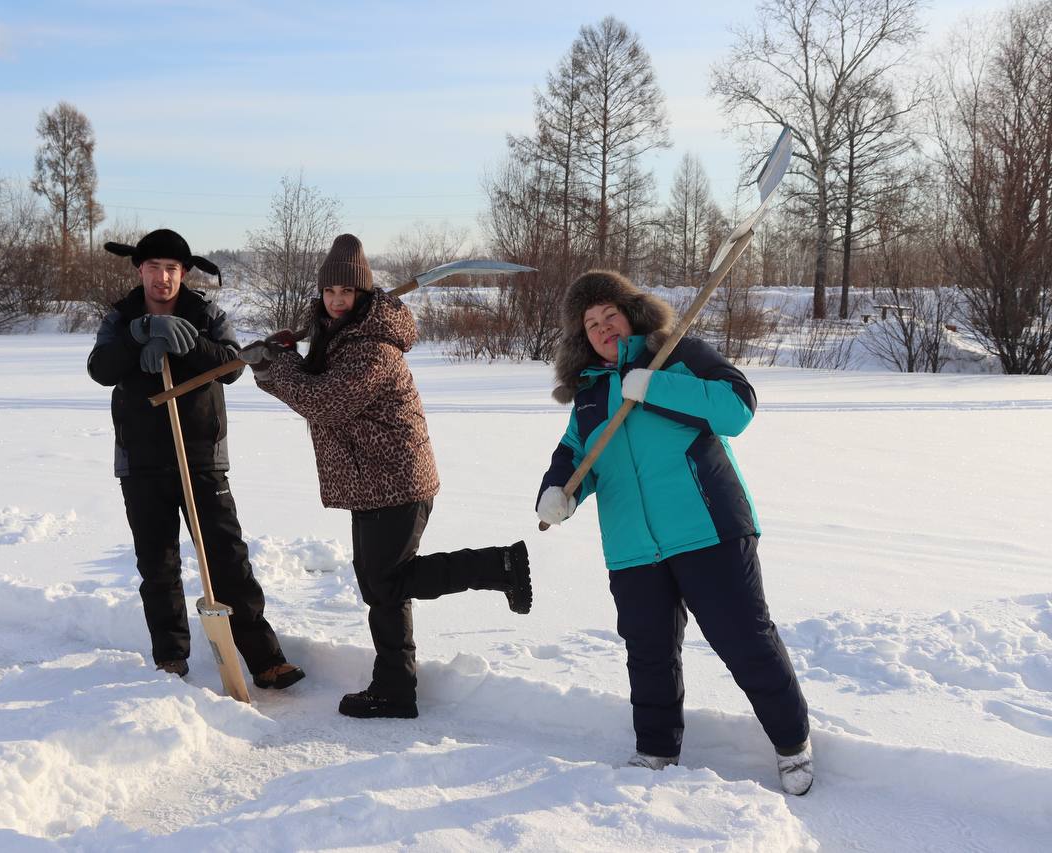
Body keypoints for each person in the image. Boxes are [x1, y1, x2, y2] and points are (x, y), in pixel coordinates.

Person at [535, 269, 813, 795]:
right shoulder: (590, 392)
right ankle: (656, 749)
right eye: (590, 323)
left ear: (631, 311)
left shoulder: (676, 354)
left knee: (743, 639)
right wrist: (559, 491)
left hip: (707, 526)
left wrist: (655, 386)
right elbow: (577, 454)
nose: (602, 327)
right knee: (649, 651)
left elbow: (736, 408)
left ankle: (792, 741)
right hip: (632, 544)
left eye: (609, 314)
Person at [246, 233, 531, 719]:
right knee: (380, 585)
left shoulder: (374, 348)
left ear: (363, 294)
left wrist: (278, 366)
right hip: (370, 479)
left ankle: (498, 566)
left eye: (347, 292)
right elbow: (315, 388)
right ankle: (395, 686)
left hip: (395, 480)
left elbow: (325, 403)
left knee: (387, 583)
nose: (337, 300)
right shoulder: (340, 337)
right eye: (330, 292)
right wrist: (283, 358)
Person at [87, 228, 303, 690]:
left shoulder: (207, 313)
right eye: (153, 268)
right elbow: (101, 369)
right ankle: (170, 659)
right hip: (140, 459)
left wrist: (188, 343)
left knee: (227, 558)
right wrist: (140, 334)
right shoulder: (121, 317)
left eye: (171, 269)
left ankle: (265, 660)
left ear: (184, 273)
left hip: (202, 454)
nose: (162, 278)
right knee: (158, 564)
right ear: (139, 270)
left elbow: (230, 368)